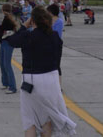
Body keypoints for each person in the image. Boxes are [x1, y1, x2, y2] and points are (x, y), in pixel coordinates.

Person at [7, 8, 76, 137]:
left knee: (30, 120)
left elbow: (11, 40)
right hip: (51, 79)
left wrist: (24, 26)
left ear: (33, 20)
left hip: (31, 80)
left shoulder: (29, 36)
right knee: (47, 118)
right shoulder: (55, 36)